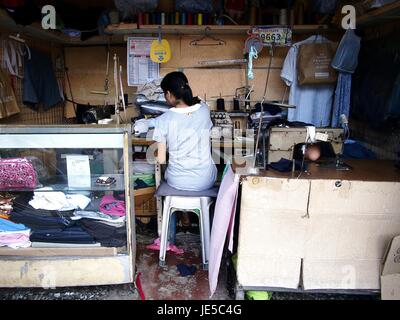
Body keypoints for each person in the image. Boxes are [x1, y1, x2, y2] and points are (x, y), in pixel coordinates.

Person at [137, 71, 217, 248]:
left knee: (167, 177)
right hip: (205, 180)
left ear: (168, 94)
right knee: (211, 169)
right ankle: (206, 233)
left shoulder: (166, 119)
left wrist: (151, 127)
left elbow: (161, 158)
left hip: (178, 182)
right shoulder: (205, 110)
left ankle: (172, 233)